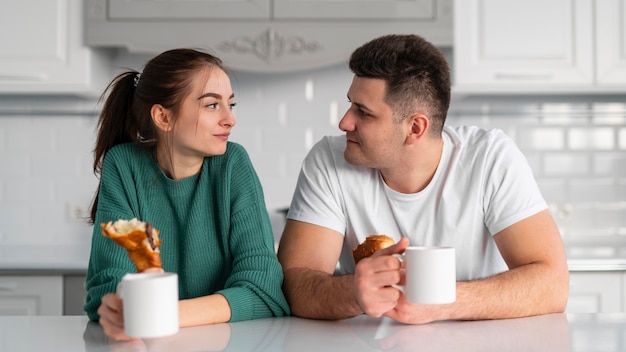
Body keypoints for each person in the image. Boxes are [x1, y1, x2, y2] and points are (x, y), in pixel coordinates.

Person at [277, 34, 569, 324]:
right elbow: (294, 285)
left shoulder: (490, 158)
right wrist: (353, 292)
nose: (344, 122)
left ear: (415, 128)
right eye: (351, 104)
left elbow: (553, 284)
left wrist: (443, 304)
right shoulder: (329, 160)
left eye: (363, 112)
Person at [84, 48, 290, 340]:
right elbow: (106, 283)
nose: (230, 119)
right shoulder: (123, 165)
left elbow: (263, 290)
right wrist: (117, 307)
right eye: (211, 105)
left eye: (230, 104)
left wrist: (156, 314)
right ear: (163, 117)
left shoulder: (233, 164)